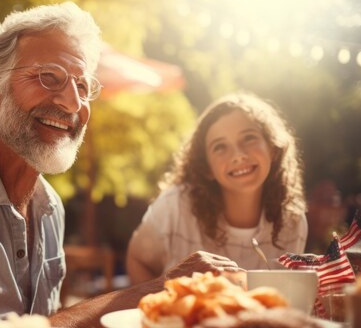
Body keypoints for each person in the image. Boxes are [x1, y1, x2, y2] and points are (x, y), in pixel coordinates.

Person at [0, 2, 241, 328]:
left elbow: (41, 325)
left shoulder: (50, 207)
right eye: (49, 77)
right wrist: (150, 291)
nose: (73, 104)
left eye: (83, 86)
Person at [127, 92, 308, 284]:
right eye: (220, 147)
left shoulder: (292, 221)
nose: (238, 155)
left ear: (272, 148)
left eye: (249, 138)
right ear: (207, 168)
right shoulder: (174, 206)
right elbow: (137, 259)